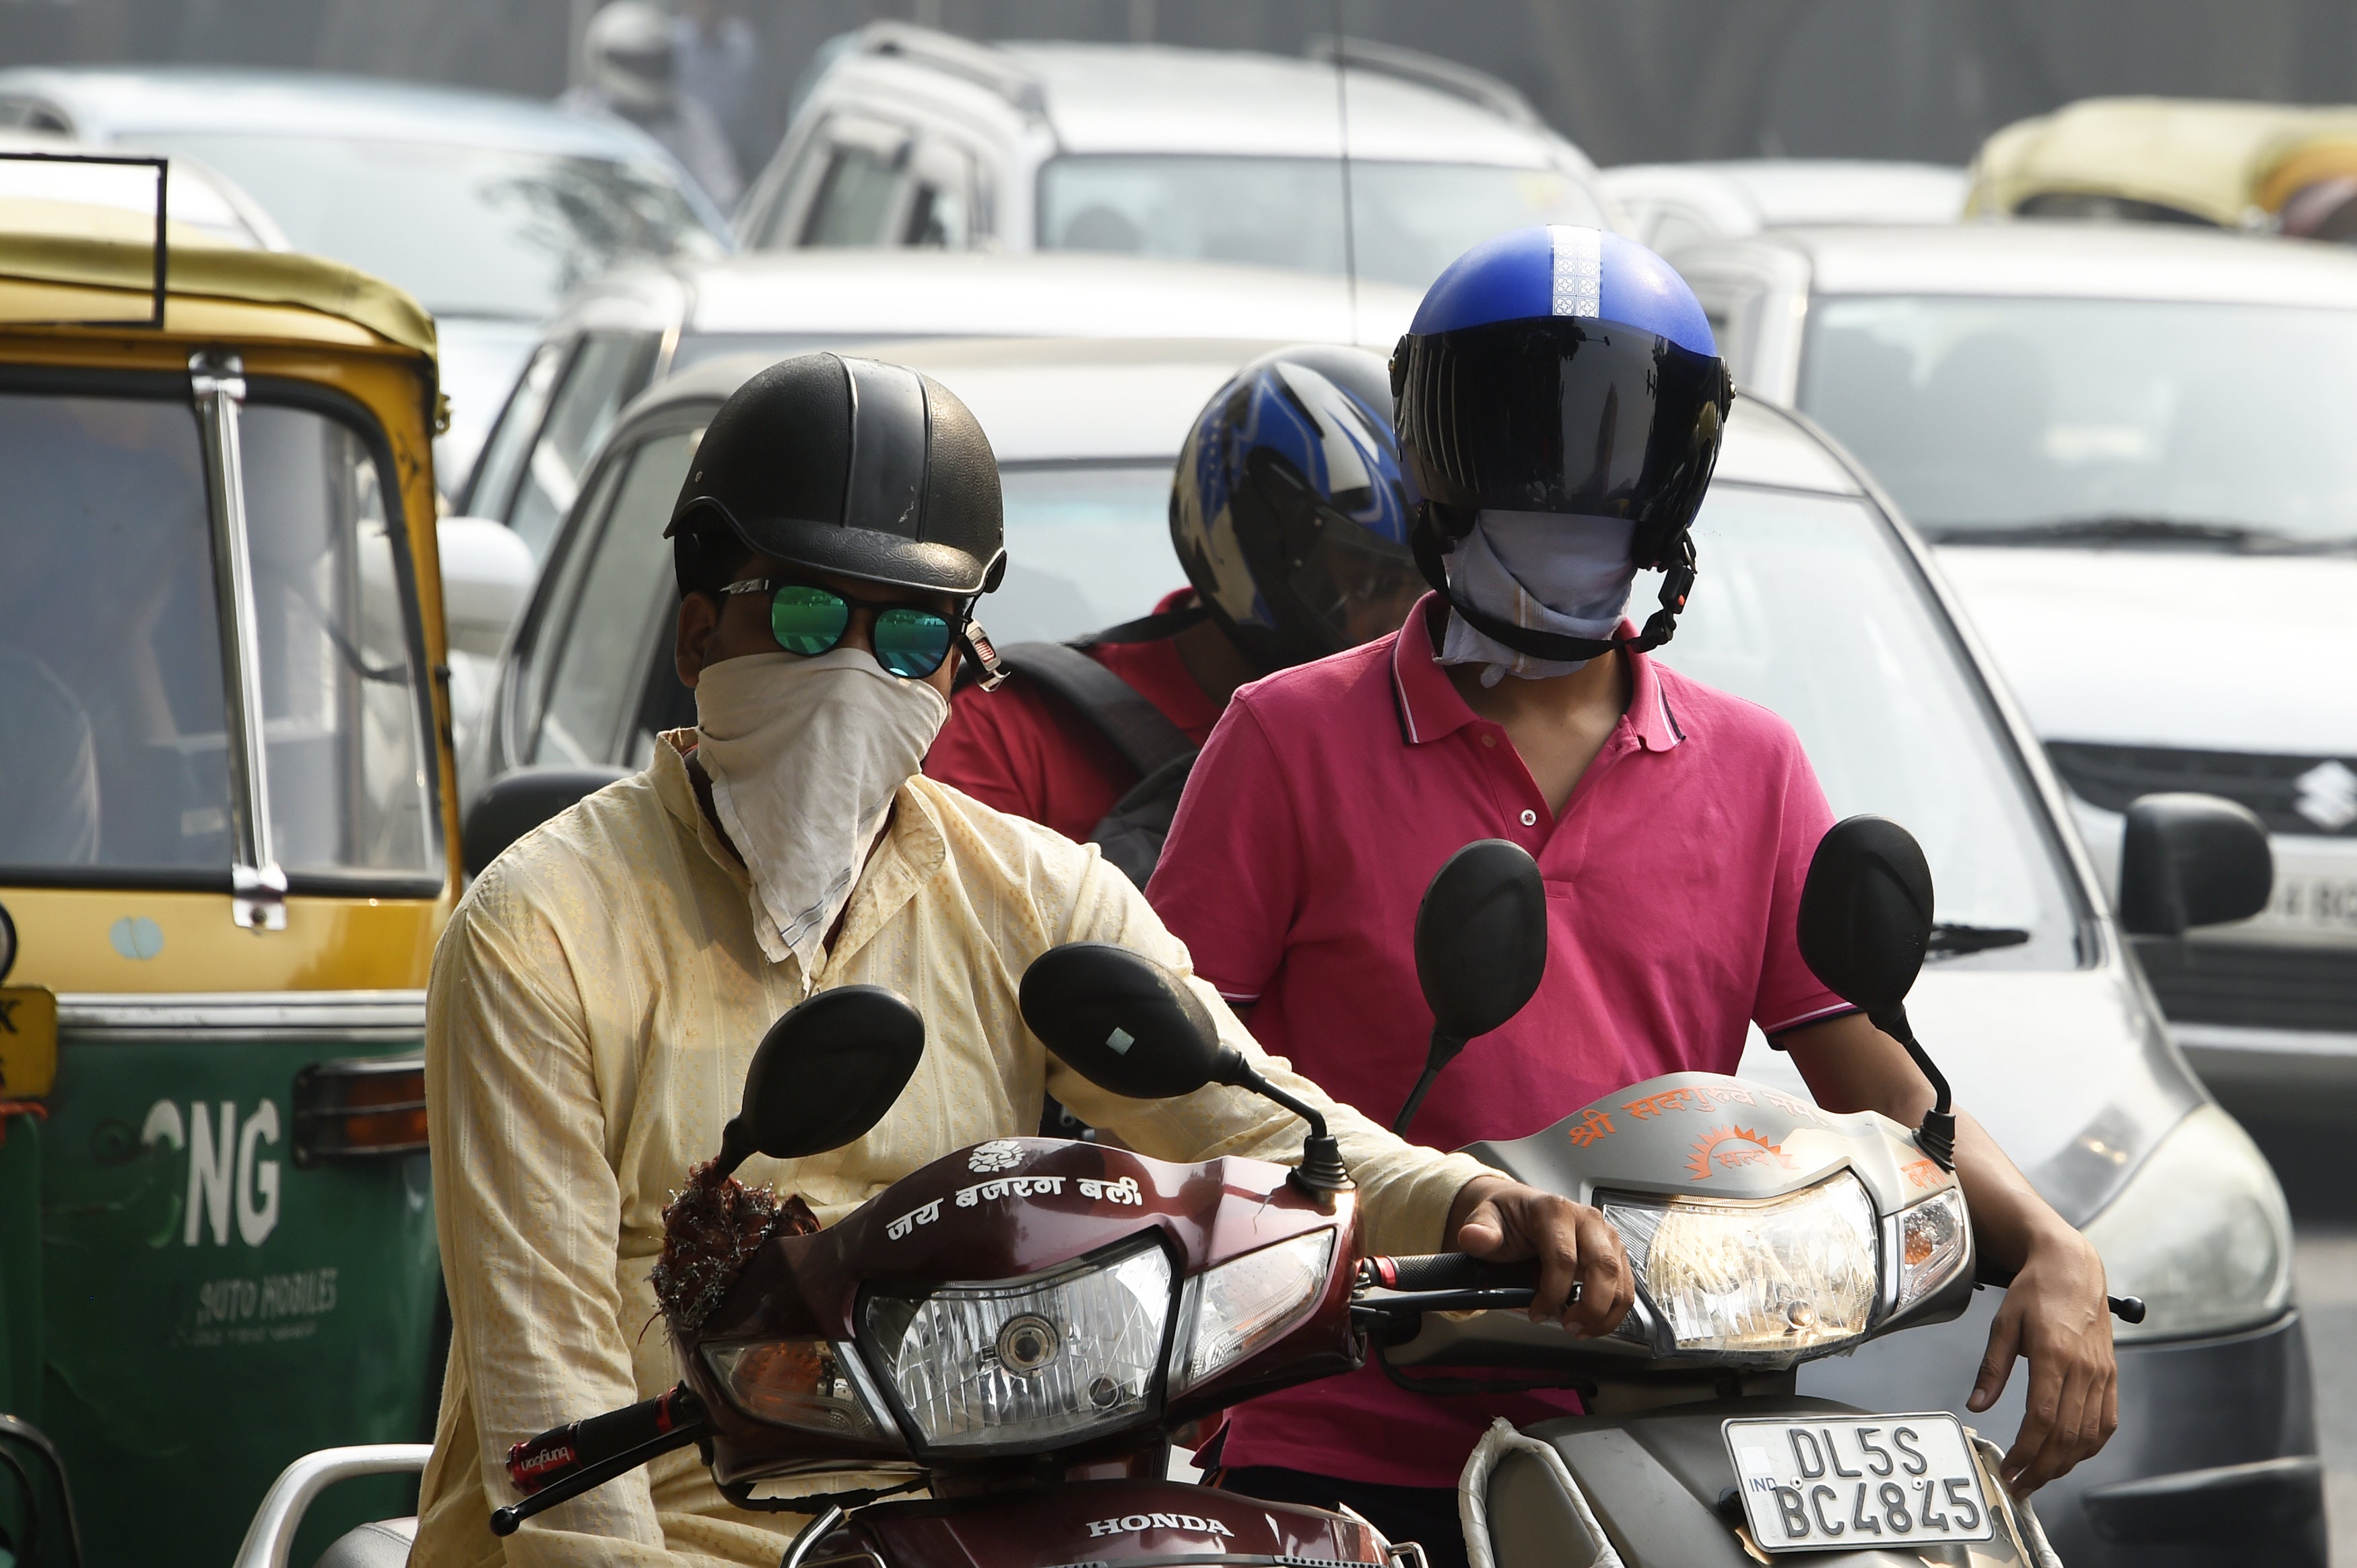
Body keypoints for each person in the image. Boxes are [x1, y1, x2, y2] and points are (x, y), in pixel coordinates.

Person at [412, 351, 1636, 1568]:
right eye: (803, 617)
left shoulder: (1031, 893)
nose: (853, 670)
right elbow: (548, 1382)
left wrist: (1471, 1196)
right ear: (696, 630)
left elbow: (1249, 1119)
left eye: (906, 636)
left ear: (962, 664)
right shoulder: (537, 933)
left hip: (969, 1536)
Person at [1146, 227, 2119, 1567]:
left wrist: (2052, 1247)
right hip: (1344, 1439)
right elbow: (1181, 1088)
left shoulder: (1753, 764)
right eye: (1520, 439)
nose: (1568, 480)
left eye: (1615, 445)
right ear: (1434, 460)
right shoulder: (1282, 738)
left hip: (1670, 1429)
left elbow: (1880, 1081)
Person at [925, 345, 1425, 883]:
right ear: (1266, 546)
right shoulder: (1013, 736)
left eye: (1429, 586)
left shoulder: (1439, 735)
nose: (1409, 620)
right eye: (1373, 584)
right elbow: (957, 948)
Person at [564, 0, 742, 210]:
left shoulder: (691, 122)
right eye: (637, 62)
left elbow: (723, 196)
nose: (647, 71)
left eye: (654, 62)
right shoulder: (576, 117)